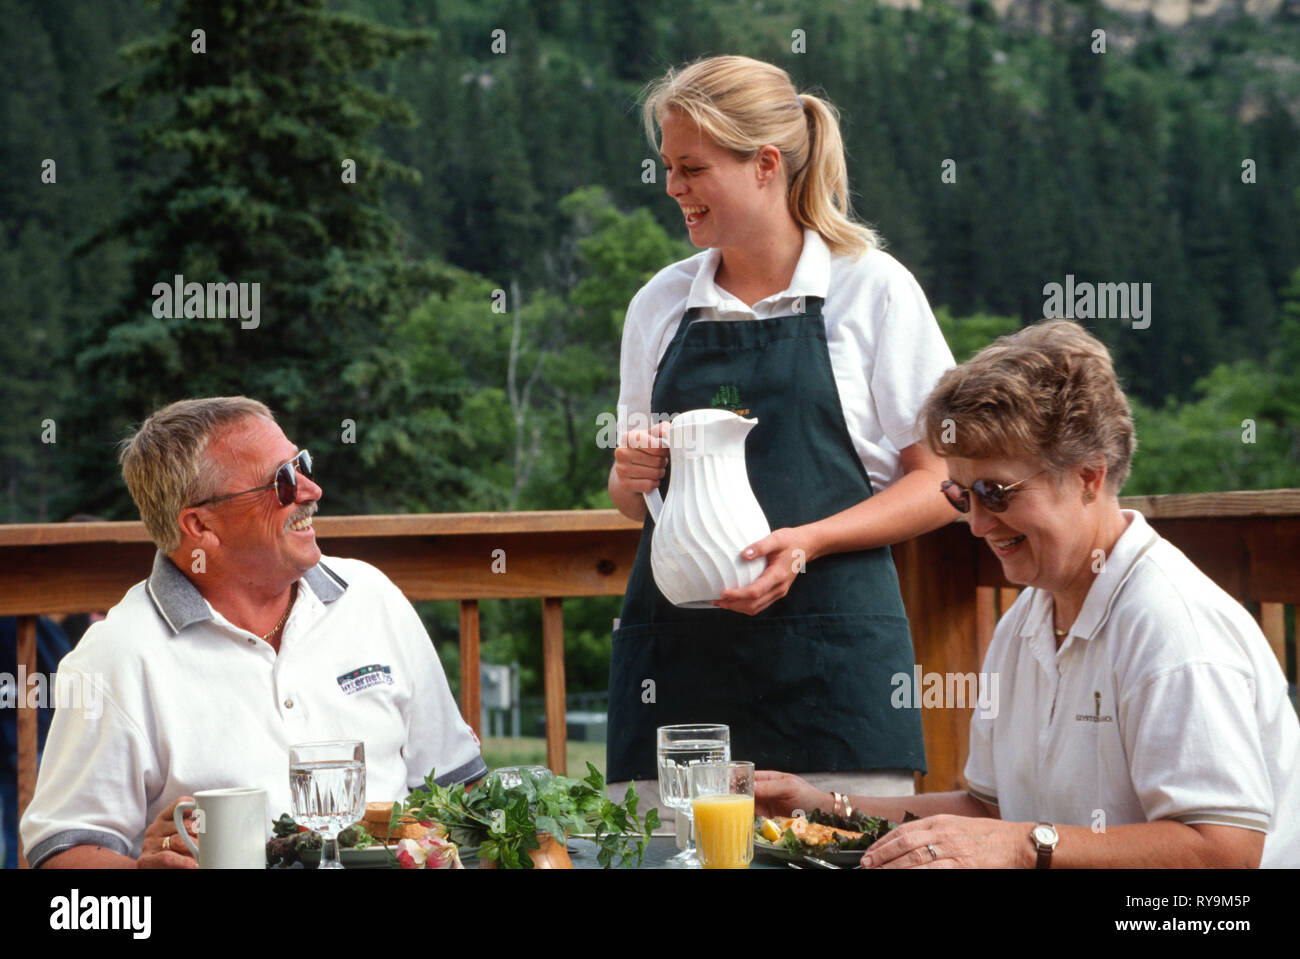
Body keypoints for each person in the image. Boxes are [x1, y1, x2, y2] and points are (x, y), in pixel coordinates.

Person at [756, 321, 1300, 867]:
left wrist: (1024, 845)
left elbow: (1226, 853)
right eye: (960, 494)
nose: (975, 524)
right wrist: (825, 807)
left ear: (1088, 477)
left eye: (996, 492)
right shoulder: (1029, 617)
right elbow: (990, 812)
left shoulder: (1173, 626)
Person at [605, 55, 956, 811]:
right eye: (667, 166)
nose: (672, 187)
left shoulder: (873, 289)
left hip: (834, 675)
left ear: (765, 164)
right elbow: (632, 505)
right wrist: (627, 475)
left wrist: (808, 541)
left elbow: (945, 483)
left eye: (692, 168)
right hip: (679, 673)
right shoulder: (658, 306)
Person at [19, 397, 486, 868]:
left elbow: (456, 786)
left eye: (300, 464)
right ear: (201, 526)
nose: (311, 489)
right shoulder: (116, 656)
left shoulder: (370, 596)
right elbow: (62, 850)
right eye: (282, 481)